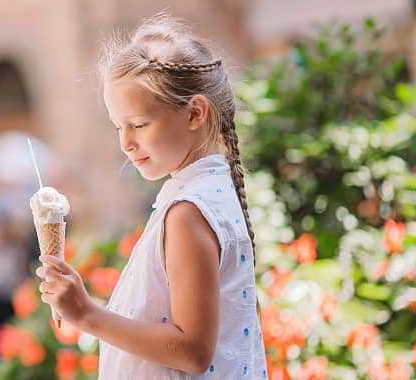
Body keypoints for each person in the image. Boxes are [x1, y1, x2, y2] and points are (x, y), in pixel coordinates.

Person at [35, 13, 268, 379]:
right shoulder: (201, 193)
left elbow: (192, 350)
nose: (126, 143)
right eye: (118, 127)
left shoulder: (189, 212)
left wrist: (87, 314)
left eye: (139, 124)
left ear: (194, 113)